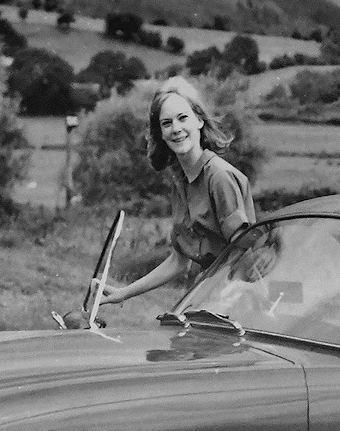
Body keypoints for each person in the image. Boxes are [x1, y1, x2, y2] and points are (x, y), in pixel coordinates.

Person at [96, 77, 256, 307]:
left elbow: (242, 249)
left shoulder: (219, 177)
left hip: (240, 299)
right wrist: (123, 293)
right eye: (167, 123)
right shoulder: (181, 181)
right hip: (211, 296)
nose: (176, 129)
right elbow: (179, 261)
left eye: (183, 118)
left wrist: (215, 298)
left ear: (199, 120)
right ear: (160, 133)